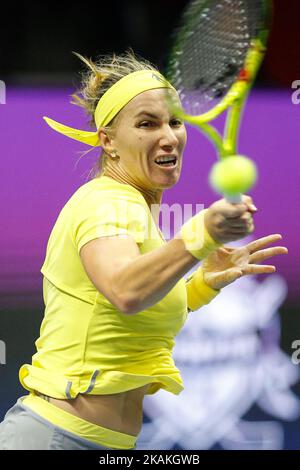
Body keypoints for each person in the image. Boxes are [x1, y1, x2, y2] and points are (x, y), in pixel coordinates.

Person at [0, 50, 287, 450]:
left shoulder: (132, 206)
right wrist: (200, 234)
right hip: (55, 438)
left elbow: (126, 316)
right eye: (147, 124)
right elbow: (126, 291)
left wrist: (201, 285)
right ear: (108, 141)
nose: (168, 136)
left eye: (174, 122)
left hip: (104, 443)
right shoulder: (106, 203)